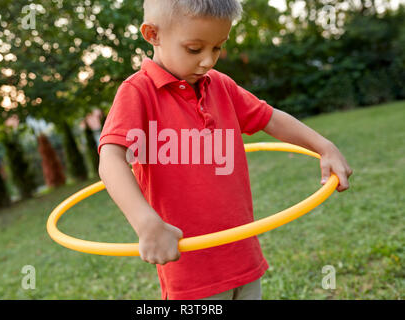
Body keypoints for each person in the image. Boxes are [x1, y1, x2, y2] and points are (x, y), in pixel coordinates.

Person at [97, 0, 353, 300]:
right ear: (153, 34)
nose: (208, 61)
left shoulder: (220, 85)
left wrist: (324, 146)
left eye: (217, 48)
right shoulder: (138, 92)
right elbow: (111, 159)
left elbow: (269, 117)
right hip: (190, 272)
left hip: (243, 256)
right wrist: (145, 222)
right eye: (195, 49)